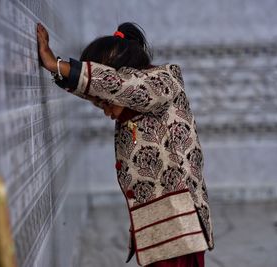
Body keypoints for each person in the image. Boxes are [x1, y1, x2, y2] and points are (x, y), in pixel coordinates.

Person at [37, 22, 214, 267]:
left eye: (105, 102)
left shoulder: (162, 83)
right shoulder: (131, 103)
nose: (105, 110)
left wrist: (54, 63)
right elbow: (102, 88)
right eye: (99, 103)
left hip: (180, 222)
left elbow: (116, 87)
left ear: (123, 75)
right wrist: (58, 72)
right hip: (161, 223)